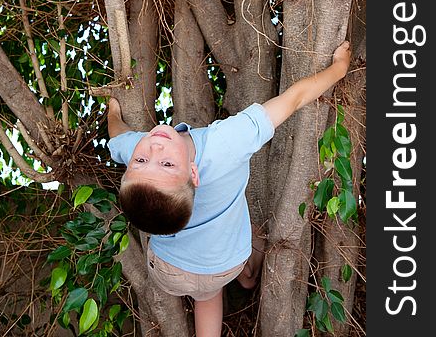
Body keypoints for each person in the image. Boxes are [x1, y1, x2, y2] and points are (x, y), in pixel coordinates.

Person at [107, 41, 351, 337]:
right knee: (216, 280)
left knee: (206, 295)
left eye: (142, 160)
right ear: (193, 175)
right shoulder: (228, 142)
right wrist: (339, 67)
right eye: (167, 165)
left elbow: (117, 139)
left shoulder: (135, 149)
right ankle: (248, 278)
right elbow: (294, 99)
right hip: (224, 265)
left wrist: (113, 113)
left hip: (167, 271)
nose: (154, 147)